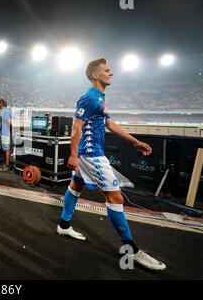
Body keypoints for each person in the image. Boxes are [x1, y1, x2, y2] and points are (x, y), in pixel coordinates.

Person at [57, 57, 166, 271]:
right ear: (96, 75)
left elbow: (109, 123)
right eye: (107, 70)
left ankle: (63, 225)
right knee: (115, 197)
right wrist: (73, 155)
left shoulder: (100, 98)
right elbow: (75, 128)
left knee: (76, 186)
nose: (112, 73)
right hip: (91, 154)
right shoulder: (89, 97)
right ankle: (132, 250)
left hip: (87, 153)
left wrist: (135, 141)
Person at [0, 99, 12, 171]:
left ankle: (7, 165)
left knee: (6, 149)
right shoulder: (3, 111)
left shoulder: (5, 111)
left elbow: (9, 122)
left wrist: (10, 130)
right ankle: (5, 163)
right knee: (4, 149)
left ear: (1, 104)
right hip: (2, 132)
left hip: (5, 133)